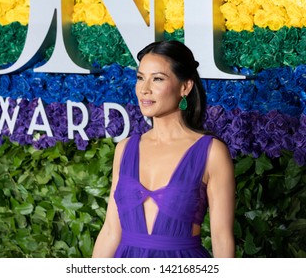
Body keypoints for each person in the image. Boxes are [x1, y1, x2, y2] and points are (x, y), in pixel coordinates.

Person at [92, 40, 235, 258]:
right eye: (140, 78)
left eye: (157, 79)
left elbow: (221, 238)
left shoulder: (211, 152)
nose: (144, 89)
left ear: (185, 87)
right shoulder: (125, 149)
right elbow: (111, 231)